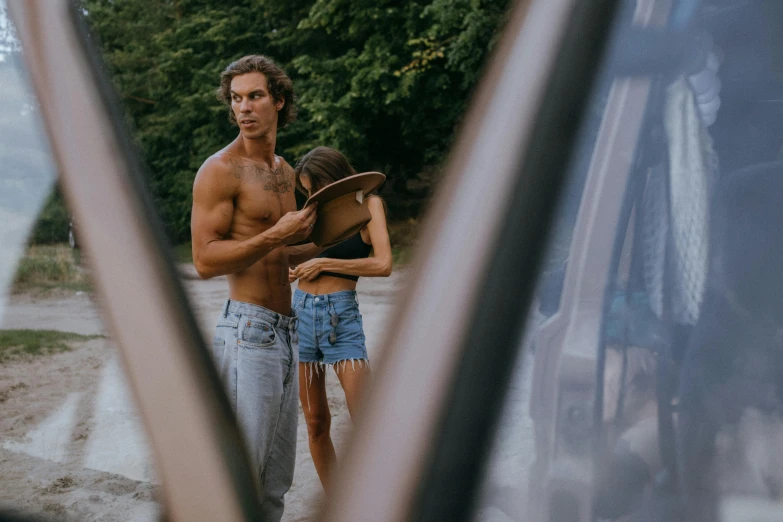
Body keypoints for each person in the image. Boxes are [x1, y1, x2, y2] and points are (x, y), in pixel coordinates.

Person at [190, 54, 317, 521]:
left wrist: (330, 243)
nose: (244, 108)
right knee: (242, 478)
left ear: (278, 101)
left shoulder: (285, 172)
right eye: (237, 99)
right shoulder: (219, 170)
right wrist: (275, 235)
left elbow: (279, 253)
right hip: (249, 332)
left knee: (275, 483)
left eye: (255, 96)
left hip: (287, 332)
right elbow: (204, 259)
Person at [288, 146, 393, 492]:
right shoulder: (313, 214)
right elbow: (298, 254)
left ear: (333, 177)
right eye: (306, 191)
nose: (311, 195)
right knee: (316, 422)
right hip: (301, 314)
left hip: (340, 317)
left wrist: (325, 264)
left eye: (315, 186)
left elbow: (382, 264)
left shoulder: (369, 204)